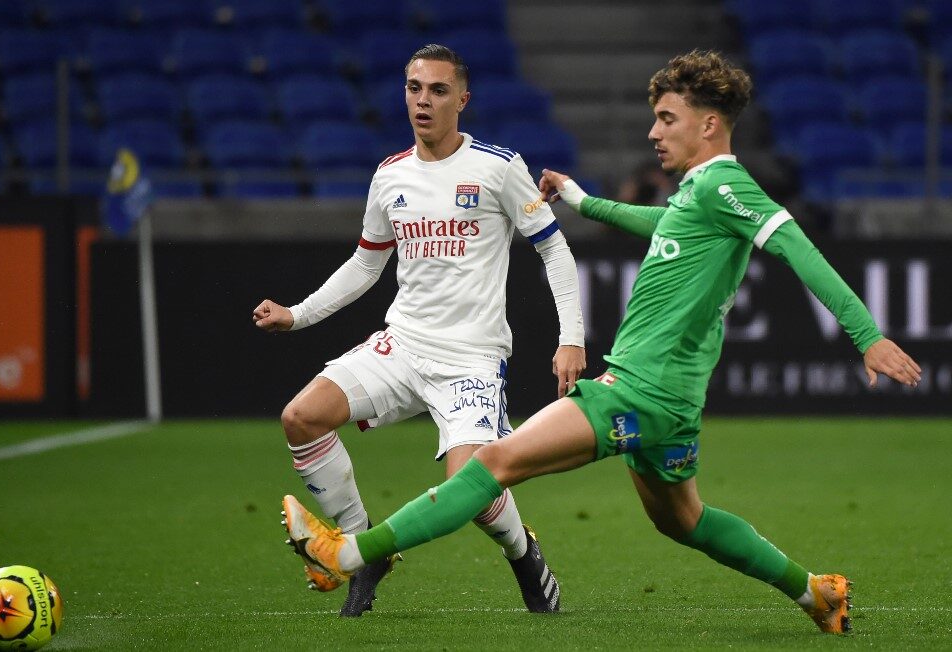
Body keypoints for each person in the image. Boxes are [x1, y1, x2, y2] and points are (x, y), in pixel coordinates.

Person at [280, 50, 923, 633]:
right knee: (686, 521)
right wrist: (586, 203)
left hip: (638, 390)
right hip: (672, 401)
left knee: (490, 465)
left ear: (707, 125)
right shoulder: (701, 192)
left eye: (667, 118)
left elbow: (795, 247)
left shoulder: (728, 185)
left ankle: (351, 552)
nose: (653, 132)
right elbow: (664, 221)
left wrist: (866, 335)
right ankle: (815, 593)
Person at [254, 44, 586, 616]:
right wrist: (298, 314)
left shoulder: (498, 167)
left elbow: (553, 249)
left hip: (473, 358)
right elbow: (366, 263)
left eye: (436, 90)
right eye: (413, 88)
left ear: (463, 98)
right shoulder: (390, 176)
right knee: (301, 417)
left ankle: (522, 551)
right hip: (403, 343)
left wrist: (571, 337)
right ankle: (362, 544)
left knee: (472, 490)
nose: (423, 101)